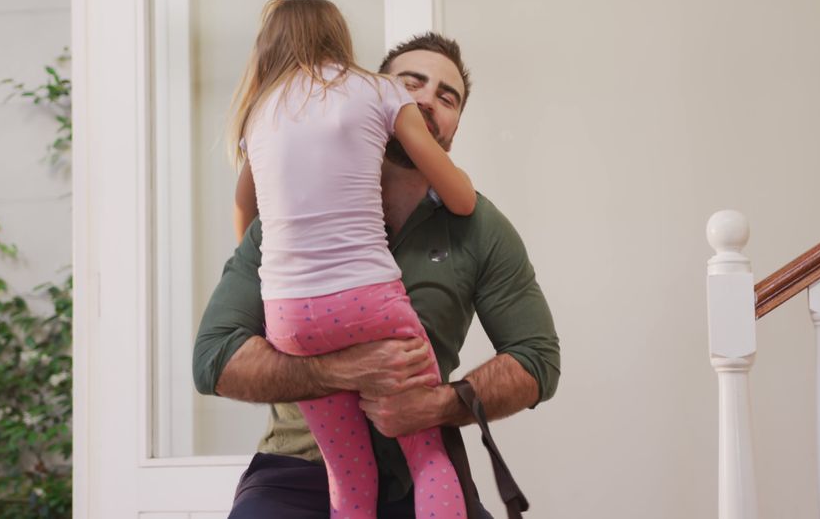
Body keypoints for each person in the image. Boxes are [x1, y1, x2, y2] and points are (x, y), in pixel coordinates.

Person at [194, 31, 561, 519]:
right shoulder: (288, 214)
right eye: (410, 83)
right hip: (298, 473)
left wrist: (439, 405)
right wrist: (332, 372)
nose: (426, 99)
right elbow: (214, 358)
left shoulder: (481, 229)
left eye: (446, 97)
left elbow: (537, 360)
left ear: (455, 126)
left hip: (419, 471)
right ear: (370, 96)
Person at [227, 0, 476, 519]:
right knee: (426, 458)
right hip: (370, 305)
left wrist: (274, 271)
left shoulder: (259, 112)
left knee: (346, 471)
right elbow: (461, 200)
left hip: (292, 318)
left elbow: (243, 213)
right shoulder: (375, 90)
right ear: (338, 35)